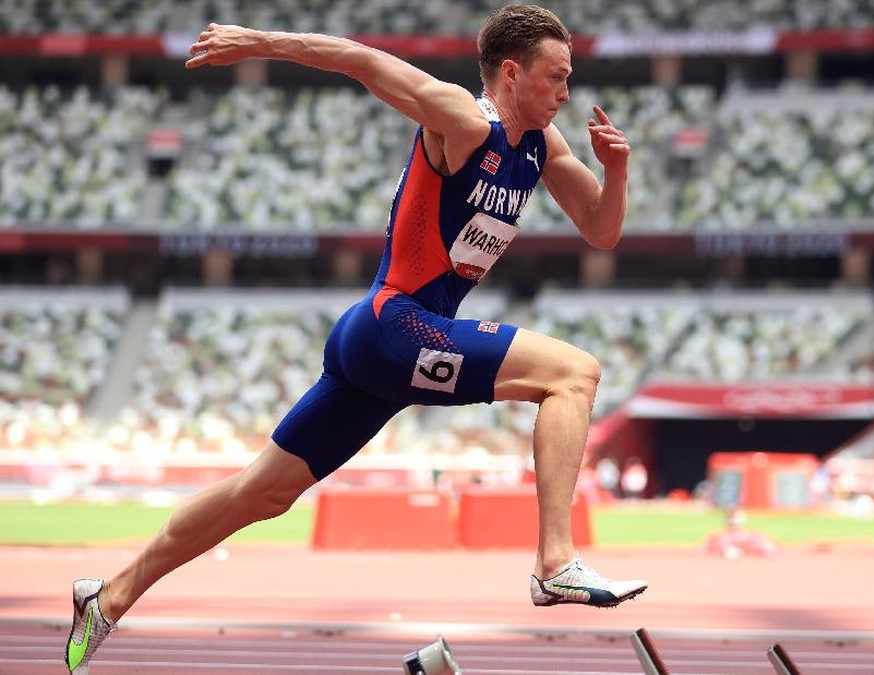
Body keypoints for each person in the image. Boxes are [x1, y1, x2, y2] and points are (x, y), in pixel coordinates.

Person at [65, 5, 647, 673]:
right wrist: (257, 41)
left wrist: (617, 171)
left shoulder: (543, 146)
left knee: (261, 492)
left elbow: (601, 230)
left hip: (383, 342)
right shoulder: (462, 119)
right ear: (512, 73)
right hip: (395, 326)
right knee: (573, 372)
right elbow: (360, 60)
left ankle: (107, 596)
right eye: (556, 76)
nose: (567, 92)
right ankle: (554, 562)